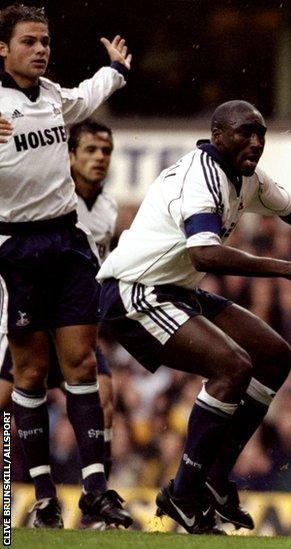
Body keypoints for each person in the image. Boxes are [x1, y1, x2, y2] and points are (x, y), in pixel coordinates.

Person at [97, 100, 291, 535]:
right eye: (245, 133)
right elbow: (204, 252)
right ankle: (184, 493)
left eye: (261, 134)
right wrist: (285, 268)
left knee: (273, 355)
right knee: (232, 366)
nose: (256, 142)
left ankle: (213, 479)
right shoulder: (200, 179)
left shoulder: (244, 175)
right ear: (217, 137)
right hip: (135, 292)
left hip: (177, 289)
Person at [0, 4, 132, 529]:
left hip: (67, 241)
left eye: (45, 42)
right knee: (29, 375)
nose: (40, 50)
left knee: (82, 368)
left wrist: (116, 72)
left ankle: (96, 490)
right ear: (3, 48)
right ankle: (45, 496)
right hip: (18, 248)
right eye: (29, 41)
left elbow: (86, 97)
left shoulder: (53, 96)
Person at [0, 120, 118, 529]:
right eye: (90, 150)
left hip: (72, 319)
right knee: (11, 397)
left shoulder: (108, 207)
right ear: (68, 156)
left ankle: (97, 497)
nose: (99, 158)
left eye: (106, 151)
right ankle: (37, 496)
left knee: (103, 394)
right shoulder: (46, 201)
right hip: (32, 308)